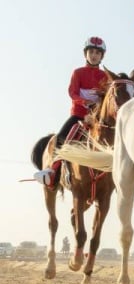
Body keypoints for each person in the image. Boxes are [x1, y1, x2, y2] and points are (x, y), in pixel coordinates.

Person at [33, 37, 109, 189]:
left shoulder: (105, 76)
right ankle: (52, 171)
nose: (94, 55)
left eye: (97, 53)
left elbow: (106, 98)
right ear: (85, 54)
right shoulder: (78, 72)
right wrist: (85, 103)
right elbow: (72, 93)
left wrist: (96, 111)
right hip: (79, 116)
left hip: (96, 119)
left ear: (102, 56)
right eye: (91, 52)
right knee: (61, 138)